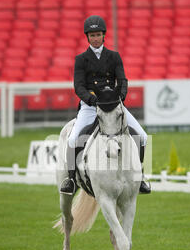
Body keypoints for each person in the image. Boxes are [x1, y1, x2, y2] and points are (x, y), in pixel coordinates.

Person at [60, 15, 151, 196]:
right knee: (72, 139)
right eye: (92, 35)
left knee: (142, 136)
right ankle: (71, 179)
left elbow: (123, 80)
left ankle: (139, 177)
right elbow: (79, 86)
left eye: (98, 35)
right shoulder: (81, 59)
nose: (95, 38)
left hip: (113, 104)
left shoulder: (114, 56)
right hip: (91, 105)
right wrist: (93, 100)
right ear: (87, 37)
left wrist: (121, 96)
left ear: (104, 36)